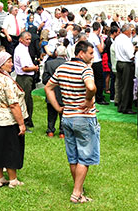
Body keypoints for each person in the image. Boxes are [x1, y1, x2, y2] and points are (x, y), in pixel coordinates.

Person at [44, 39, 98, 204]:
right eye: (90, 53)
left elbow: (48, 87)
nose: (92, 55)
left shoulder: (62, 67)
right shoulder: (85, 69)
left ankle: (79, 190)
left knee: (73, 156)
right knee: (85, 157)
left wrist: (57, 107)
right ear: (81, 53)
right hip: (84, 117)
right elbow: (91, 87)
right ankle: (76, 193)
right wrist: (89, 100)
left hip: (67, 117)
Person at [0, 51, 27, 188]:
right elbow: (13, 104)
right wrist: (21, 124)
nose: (12, 64)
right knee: (10, 150)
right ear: (1, 65)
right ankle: (13, 180)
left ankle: (0, 178)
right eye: (9, 61)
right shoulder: (6, 81)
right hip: (7, 121)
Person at [14, 32, 38, 129]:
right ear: (21, 39)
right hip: (24, 77)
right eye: (27, 39)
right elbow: (25, 68)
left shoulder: (24, 48)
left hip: (27, 77)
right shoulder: (21, 50)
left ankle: (28, 120)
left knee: (28, 99)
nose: (29, 41)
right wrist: (35, 68)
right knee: (25, 100)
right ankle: (25, 121)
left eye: (29, 39)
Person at [42, 44, 67, 137]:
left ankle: (50, 131)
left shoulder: (49, 64)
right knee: (64, 114)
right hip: (64, 93)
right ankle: (62, 132)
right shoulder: (68, 64)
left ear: (56, 53)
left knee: (51, 113)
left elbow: (44, 80)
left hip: (51, 92)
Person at [114, 23, 136, 114]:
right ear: (127, 31)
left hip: (119, 62)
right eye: (130, 31)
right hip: (126, 64)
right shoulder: (126, 40)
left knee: (120, 85)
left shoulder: (118, 38)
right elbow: (130, 55)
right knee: (127, 87)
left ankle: (120, 105)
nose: (131, 32)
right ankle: (126, 107)